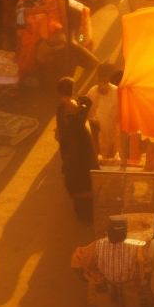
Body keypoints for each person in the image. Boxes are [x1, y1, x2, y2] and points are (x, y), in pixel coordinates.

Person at [71, 216, 147, 307]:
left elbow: (78, 261)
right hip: (118, 286)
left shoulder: (98, 244)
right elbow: (143, 265)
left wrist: (91, 279)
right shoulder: (134, 245)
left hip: (114, 286)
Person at [54, 80, 95, 215]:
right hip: (78, 157)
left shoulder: (63, 108)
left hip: (71, 152)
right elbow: (81, 115)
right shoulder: (77, 123)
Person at [87, 63, 120, 162]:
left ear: (108, 79)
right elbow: (88, 113)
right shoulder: (92, 92)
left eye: (105, 82)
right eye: (101, 81)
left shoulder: (116, 92)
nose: (102, 85)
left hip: (112, 135)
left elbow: (120, 115)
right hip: (97, 136)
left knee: (111, 160)